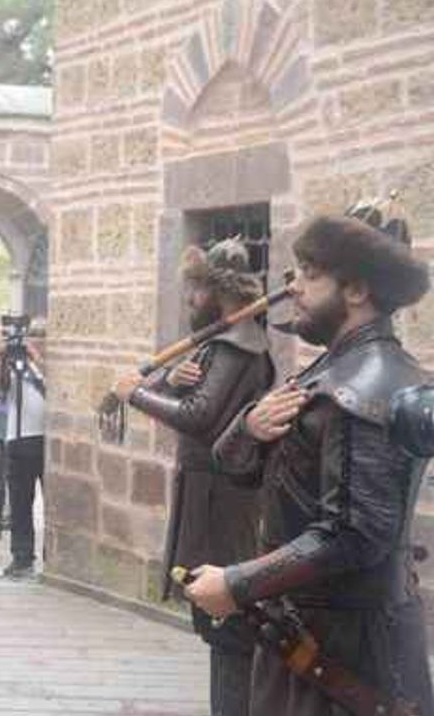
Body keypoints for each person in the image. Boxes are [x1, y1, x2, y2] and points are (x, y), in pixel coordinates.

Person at [187, 204, 434, 715]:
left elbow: (354, 534)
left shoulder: (366, 385)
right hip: (303, 632)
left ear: (357, 290)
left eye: (310, 274)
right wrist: (249, 425)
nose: (293, 287)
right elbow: (238, 466)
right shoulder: (332, 370)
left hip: (346, 645)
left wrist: (236, 584)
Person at [111, 237, 272, 716]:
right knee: (213, 617)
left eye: (196, 291)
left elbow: (199, 416)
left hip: (222, 496)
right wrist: (166, 380)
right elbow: (192, 399)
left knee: (225, 619)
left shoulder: (237, 346)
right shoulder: (223, 345)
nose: (190, 301)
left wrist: (135, 395)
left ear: (217, 293)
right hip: (209, 490)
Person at [0, 326, 47, 580]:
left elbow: (54, 391)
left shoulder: (48, 367)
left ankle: (53, 556)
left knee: (53, 505)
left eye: (40, 339)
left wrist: (38, 362)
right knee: (20, 504)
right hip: (18, 438)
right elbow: (0, 390)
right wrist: (6, 359)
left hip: (46, 439)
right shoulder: (14, 366)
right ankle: (22, 557)